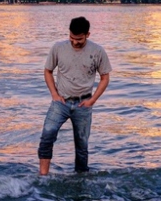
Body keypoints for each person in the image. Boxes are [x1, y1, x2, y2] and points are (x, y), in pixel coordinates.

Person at [37, 16, 111, 175]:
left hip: (83, 104)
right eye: (71, 37)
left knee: (82, 146)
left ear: (87, 35)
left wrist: (92, 100)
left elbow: (105, 77)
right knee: (47, 136)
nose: (74, 42)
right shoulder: (58, 48)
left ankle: (81, 178)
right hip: (60, 102)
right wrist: (54, 95)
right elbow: (48, 71)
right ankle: (43, 176)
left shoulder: (97, 51)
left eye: (79, 39)